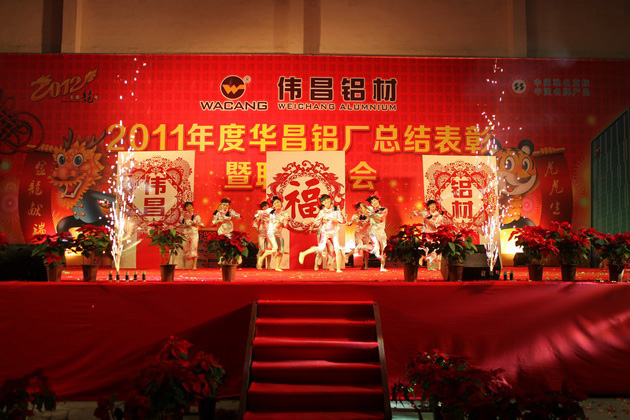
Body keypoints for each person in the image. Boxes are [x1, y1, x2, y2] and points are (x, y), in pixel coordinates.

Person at [298, 194, 346, 273]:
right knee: (320, 248)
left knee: (337, 249)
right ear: (322, 203)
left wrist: (333, 219)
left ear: (330, 199)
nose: (326, 201)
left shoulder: (336, 209)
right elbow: (316, 220)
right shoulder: (322, 212)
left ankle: (337, 268)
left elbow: (342, 221)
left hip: (334, 232)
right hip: (324, 232)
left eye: (327, 199)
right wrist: (310, 222)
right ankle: (303, 254)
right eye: (324, 201)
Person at [257, 196, 290, 271]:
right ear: (273, 205)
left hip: (278, 233)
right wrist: (258, 214)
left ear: (281, 203)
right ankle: (262, 257)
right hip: (271, 232)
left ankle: (277, 267)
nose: (277, 204)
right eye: (275, 203)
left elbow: (285, 225)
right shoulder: (271, 211)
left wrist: (281, 223)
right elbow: (260, 212)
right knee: (275, 248)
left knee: (281, 250)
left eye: (278, 202)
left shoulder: (285, 213)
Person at [410, 199, 445, 270]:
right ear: (428, 206)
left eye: (434, 204)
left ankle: (433, 266)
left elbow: (437, 226)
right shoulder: (425, 213)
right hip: (426, 234)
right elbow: (417, 212)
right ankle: (424, 262)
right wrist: (412, 214)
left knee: (434, 250)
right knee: (425, 249)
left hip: (434, 235)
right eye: (431, 205)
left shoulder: (439, 215)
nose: (433, 206)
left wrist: (428, 221)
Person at [346, 202, 373, 269]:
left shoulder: (369, 215)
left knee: (366, 250)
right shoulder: (355, 216)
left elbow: (372, 223)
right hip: (358, 234)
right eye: (359, 208)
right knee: (360, 246)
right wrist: (350, 222)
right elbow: (349, 223)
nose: (361, 209)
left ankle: (366, 265)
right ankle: (348, 255)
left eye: (362, 207)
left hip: (366, 234)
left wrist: (366, 223)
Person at [366, 192, 388, 272]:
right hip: (373, 232)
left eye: (375, 201)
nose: (374, 203)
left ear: (378, 200)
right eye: (372, 202)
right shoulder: (370, 210)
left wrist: (371, 215)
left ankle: (382, 267)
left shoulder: (384, 209)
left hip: (381, 232)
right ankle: (362, 248)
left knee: (384, 249)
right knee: (377, 247)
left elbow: (381, 219)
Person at [181, 201, 203, 270]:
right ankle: (184, 266)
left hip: (194, 233)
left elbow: (201, 224)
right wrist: (186, 225)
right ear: (185, 208)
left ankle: (194, 266)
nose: (190, 207)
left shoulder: (196, 215)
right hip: (186, 233)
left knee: (194, 248)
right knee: (185, 249)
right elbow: (180, 224)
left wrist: (195, 224)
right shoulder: (183, 216)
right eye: (188, 206)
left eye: (191, 206)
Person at [252, 200, 271, 270]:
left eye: (266, 206)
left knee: (269, 249)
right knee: (261, 249)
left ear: (268, 206)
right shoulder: (260, 213)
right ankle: (259, 264)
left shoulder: (272, 213)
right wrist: (258, 229)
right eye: (263, 207)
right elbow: (255, 222)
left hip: (270, 233)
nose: (265, 207)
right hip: (262, 232)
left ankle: (268, 265)